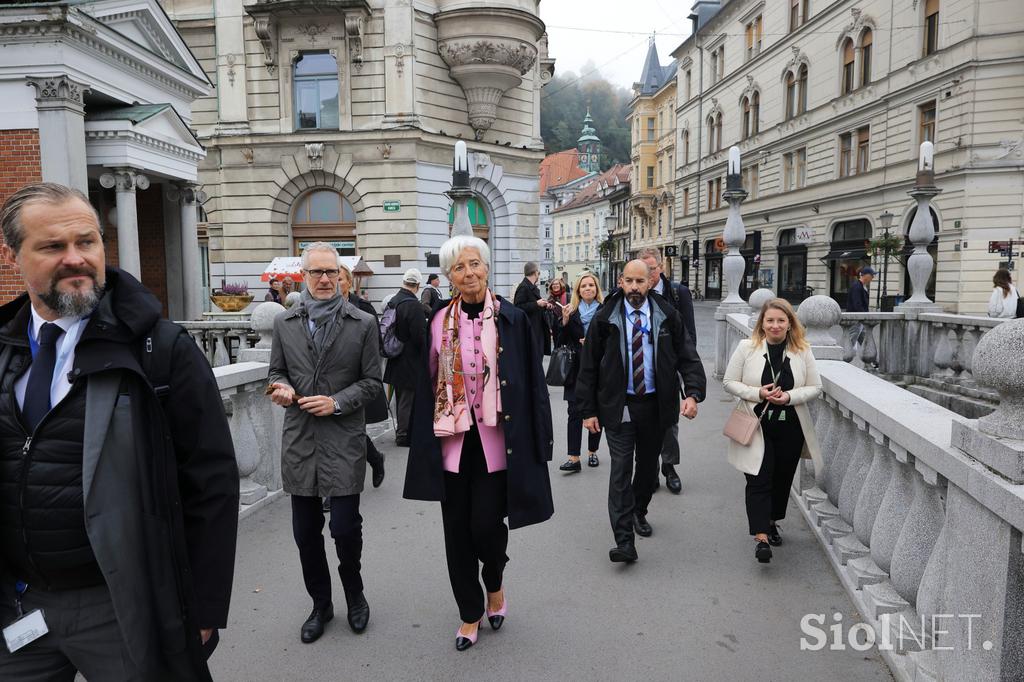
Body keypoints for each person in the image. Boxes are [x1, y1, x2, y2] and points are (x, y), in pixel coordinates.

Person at [0, 182, 239, 680]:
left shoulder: (158, 349)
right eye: (52, 246)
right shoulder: (4, 349)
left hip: (124, 606)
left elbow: (211, 481)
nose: (75, 259)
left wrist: (204, 605)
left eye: (87, 242)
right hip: (21, 607)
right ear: (13, 255)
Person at [404, 235, 553, 651]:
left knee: (487, 525)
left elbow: (533, 382)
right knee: (456, 534)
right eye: (459, 267)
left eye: (474, 264)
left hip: (496, 440)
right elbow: (427, 381)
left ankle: (495, 584)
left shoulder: (512, 318)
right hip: (451, 441)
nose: (468, 273)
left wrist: (543, 436)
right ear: (449, 275)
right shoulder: (435, 321)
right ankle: (470, 614)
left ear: (487, 267)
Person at [267, 242, 383, 644]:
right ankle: (320, 604)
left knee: (346, 527)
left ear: (340, 275)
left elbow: (372, 382)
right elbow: (276, 371)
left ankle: (355, 593)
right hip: (300, 438)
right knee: (305, 532)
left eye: (330, 272)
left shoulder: (361, 323)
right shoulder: (285, 323)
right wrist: (278, 387)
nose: (323, 279)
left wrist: (337, 402)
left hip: (343, 437)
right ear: (303, 276)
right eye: (315, 272)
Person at [576, 259, 706, 563]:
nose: (634, 287)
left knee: (648, 470)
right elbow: (589, 366)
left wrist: (693, 393)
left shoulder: (667, 315)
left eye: (640, 282)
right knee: (621, 470)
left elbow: (687, 356)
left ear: (650, 282)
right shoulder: (605, 317)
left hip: (655, 406)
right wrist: (587, 410)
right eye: (629, 281)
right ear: (621, 281)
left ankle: (639, 509)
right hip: (619, 406)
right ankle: (624, 541)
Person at [723, 298, 823, 564]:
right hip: (756, 425)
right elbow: (729, 382)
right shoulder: (747, 347)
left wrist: (789, 397)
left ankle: (771, 520)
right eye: (770, 320)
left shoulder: (802, 350)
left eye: (781, 320)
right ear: (762, 323)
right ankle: (761, 537)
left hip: (790, 427)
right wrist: (757, 393)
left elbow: (815, 386)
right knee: (758, 478)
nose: (775, 325)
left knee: (781, 479)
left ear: (790, 324)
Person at [639, 248, 697, 495]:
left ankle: (669, 467)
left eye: (651, 269)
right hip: (641, 371)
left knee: (669, 423)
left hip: (669, 370)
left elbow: (689, 334)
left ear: (660, 268)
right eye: (643, 270)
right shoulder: (634, 294)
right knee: (643, 425)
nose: (647, 275)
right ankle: (649, 472)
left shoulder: (677, 292)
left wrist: (688, 378)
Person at [339, 267, 386, 489]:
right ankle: (333, 488)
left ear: (348, 282)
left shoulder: (363, 309)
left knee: (353, 432)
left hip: (357, 382)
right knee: (336, 433)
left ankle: (375, 459)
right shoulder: (314, 309)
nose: (331, 282)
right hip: (329, 383)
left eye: (338, 278)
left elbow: (376, 346)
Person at [555, 272, 605, 472]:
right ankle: (574, 457)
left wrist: (595, 343)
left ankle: (593, 452)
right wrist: (564, 321)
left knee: (596, 411)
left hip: (598, 368)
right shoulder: (571, 311)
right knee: (574, 412)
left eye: (591, 285)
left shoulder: (605, 311)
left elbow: (613, 339)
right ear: (578, 290)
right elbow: (559, 342)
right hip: (575, 369)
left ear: (596, 288)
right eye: (583, 286)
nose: (587, 289)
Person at [384, 268, 428, 447]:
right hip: (410, 360)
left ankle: (403, 431)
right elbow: (419, 336)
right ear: (417, 285)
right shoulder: (413, 305)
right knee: (408, 399)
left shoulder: (394, 301)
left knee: (401, 398)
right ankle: (404, 435)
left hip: (395, 357)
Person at [513, 261, 551, 356]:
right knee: (534, 361)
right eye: (538, 273)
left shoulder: (531, 287)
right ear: (535, 272)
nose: (538, 275)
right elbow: (517, 307)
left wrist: (545, 305)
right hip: (530, 330)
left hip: (537, 329)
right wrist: (536, 304)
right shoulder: (524, 287)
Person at [846, 266, 874, 347]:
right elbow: (857, 304)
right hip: (856, 319)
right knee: (851, 340)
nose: (872, 278)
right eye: (872, 276)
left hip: (859, 319)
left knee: (864, 339)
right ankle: (842, 357)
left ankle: (870, 357)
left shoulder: (861, 286)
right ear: (866, 276)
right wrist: (864, 316)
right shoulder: (857, 286)